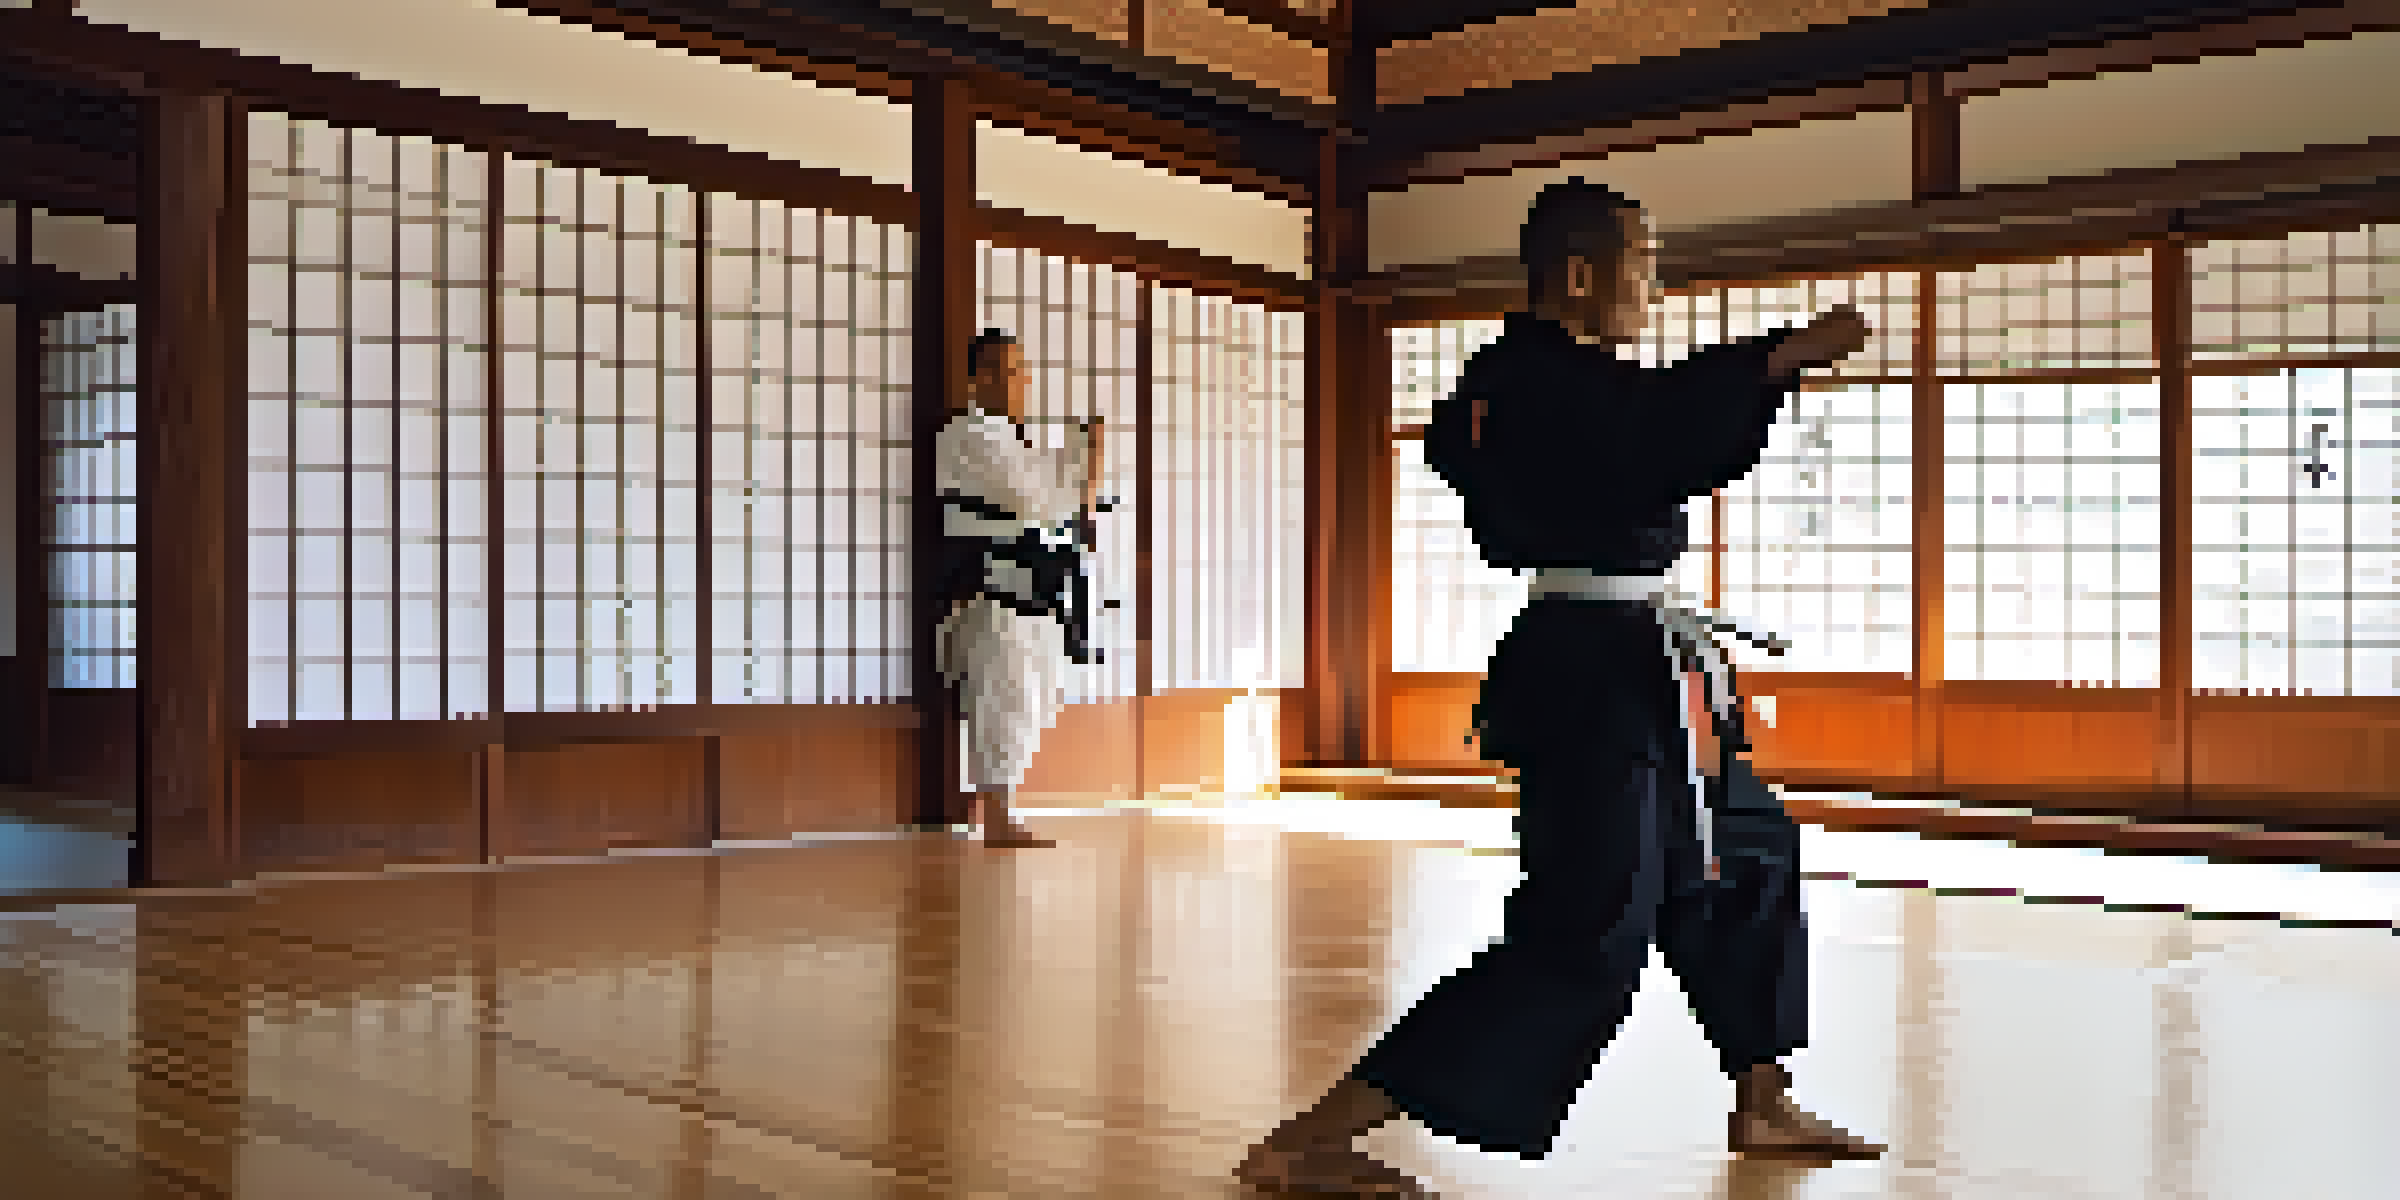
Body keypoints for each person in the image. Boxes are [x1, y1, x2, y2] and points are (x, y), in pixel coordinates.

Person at [1236, 180, 1886, 1196]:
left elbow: (1633, 430)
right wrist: (1773, 360)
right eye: (1644, 263)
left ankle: (1761, 1093)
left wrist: (1758, 374)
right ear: (1582, 274)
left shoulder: (1531, 387)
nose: (1653, 285)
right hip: (1593, 676)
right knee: (1584, 931)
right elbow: (1649, 434)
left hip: (1640, 667)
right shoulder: (1534, 386)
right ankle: (1312, 1137)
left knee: (1741, 851)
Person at [933, 328, 1107, 848]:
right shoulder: (966, 435)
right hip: (989, 584)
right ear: (975, 378)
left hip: (1035, 585)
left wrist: (1083, 461)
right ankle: (997, 810)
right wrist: (1078, 474)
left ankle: (998, 800)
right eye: (999, 370)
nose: (1012, 381)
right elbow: (1033, 503)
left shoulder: (1019, 440)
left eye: (1018, 370)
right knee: (1002, 692)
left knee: (1034, 693)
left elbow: (1065, 506)